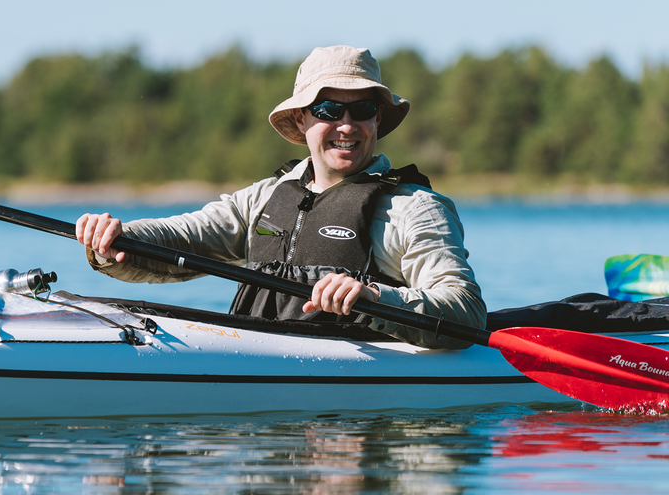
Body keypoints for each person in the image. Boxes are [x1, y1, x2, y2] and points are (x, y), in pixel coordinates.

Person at [75, 45, 486, 349]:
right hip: (262, 379)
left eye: (360, 109)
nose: (346, 125)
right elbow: (181, 237)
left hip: (356, 420)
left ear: (377, 118)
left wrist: (374, 298)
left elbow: (463, 311)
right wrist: (113, 239)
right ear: (301, 118)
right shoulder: (265, 198)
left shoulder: (414, 208)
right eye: (327, 109)